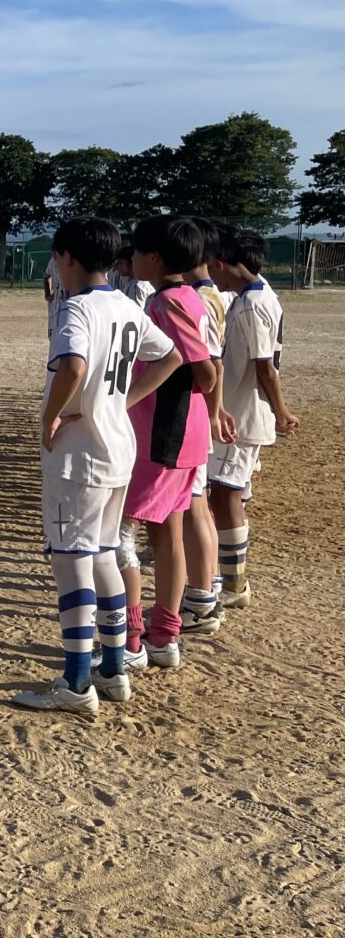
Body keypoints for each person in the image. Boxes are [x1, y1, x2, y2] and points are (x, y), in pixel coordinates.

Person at [17, 218, 181, 716]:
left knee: (70, 560)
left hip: (79, 451)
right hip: (118, 448)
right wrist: (122, 400)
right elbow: (170, 355)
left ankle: (75, 680)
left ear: (66, 257)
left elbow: (74, 367)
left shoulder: (77, 309)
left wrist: (51, 418)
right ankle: (113, 669)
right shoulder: (127, 304)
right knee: (106, 552)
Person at [122, 216, 221, 670]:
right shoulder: (191, 297)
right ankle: (164, 636)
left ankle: (131, 638)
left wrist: (124, 402)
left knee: (122, 533)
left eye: (137, 251)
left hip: (167, 432)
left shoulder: (166, 303)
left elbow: (200, 366)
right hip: (185, 431)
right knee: (167, 535)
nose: (132, 258)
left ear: (154, 257)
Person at [207, 226, 296, 612]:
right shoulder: (254, 295)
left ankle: (235, 582)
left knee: (226, 492)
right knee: (224, 492)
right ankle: (229, 576)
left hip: (242, 416)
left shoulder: (253, 305)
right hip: (237, 412)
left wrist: (281, 411)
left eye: (213, 266)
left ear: (223, 264)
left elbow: (265, 368)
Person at [179, 217, 232, 633]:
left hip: (192, 413)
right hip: (202, 410)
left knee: (194, 506)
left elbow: (210, 364)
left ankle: (201, 600)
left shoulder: (195, 297)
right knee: (202, 505)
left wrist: (213, 412)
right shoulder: (209, 293)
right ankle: (208, 584)